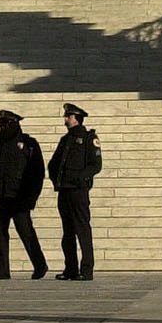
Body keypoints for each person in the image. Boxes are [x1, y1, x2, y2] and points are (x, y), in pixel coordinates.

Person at [0, 109, 47, 279]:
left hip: (19, 198)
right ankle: (2, 270)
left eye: (5, 124)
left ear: (14, 124)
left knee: (26, 233)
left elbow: (37, 173)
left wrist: (31, 198)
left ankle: (40, 265)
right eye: (1, 124)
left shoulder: (28, 144)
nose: (2, 127)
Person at [47, 103, 102, 280]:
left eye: (68, 117)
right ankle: (70, 269)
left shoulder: (88, 138)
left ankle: (86, 270)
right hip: (64, 190)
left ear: (76, 118)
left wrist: (79, 177)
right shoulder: (65, 140)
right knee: (67, 233)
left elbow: (96, 165)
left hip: (79, 191)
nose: (65, 119)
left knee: (83, 230)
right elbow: (54, 163)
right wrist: (56, 179)